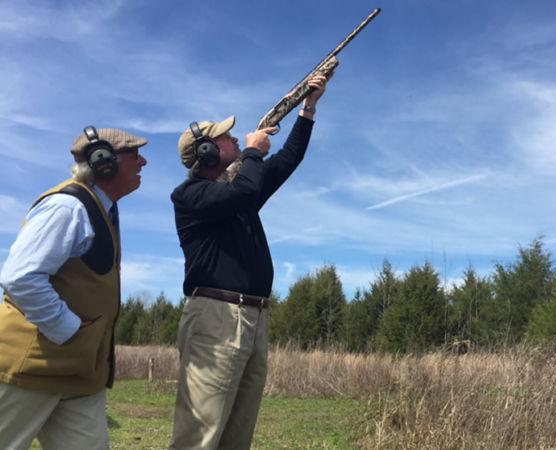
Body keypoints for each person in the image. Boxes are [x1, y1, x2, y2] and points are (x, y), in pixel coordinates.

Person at [169, 72, 331, 449]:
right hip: (216, 317)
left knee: (237, 436)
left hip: (254, 317)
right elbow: (243, 191)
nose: (234, 140)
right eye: (225, 138)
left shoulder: (240, 190)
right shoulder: (191, 195)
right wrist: (255, 152)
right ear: (207, 153)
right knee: (200, 436)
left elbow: (288, 160)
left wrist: (308, 108)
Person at [0, 126, 148, 449]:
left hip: (79, 378)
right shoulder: (68, 208)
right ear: (103, 161)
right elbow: (20, 277)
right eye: (134, 155)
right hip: (29, 372)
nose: (144, 162)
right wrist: (67, 328)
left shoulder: (102, 209)